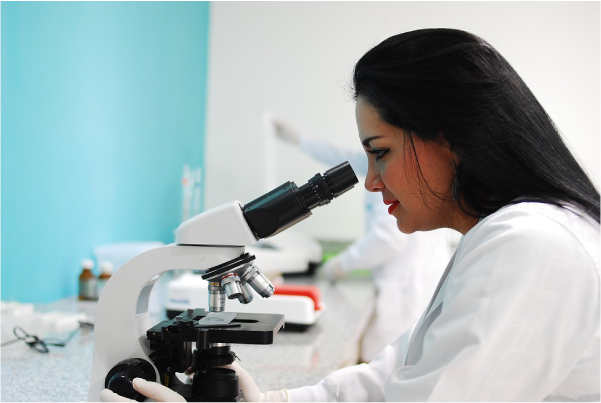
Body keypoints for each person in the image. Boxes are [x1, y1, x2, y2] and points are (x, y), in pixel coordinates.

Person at [101, 28, 601, 402]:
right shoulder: (515, 235)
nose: (371, 180)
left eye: (380, 151)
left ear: (451, 138)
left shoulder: (531, 246)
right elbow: (395, 377)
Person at [271, 118, 450, 363]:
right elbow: (344, 157)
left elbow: (387, 239)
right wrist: (300, 140)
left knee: (386, 366)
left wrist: (340, 265)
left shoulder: (392, 175)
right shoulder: (403, 162)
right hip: (416, 285)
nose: (370, 182)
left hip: (403, 293)